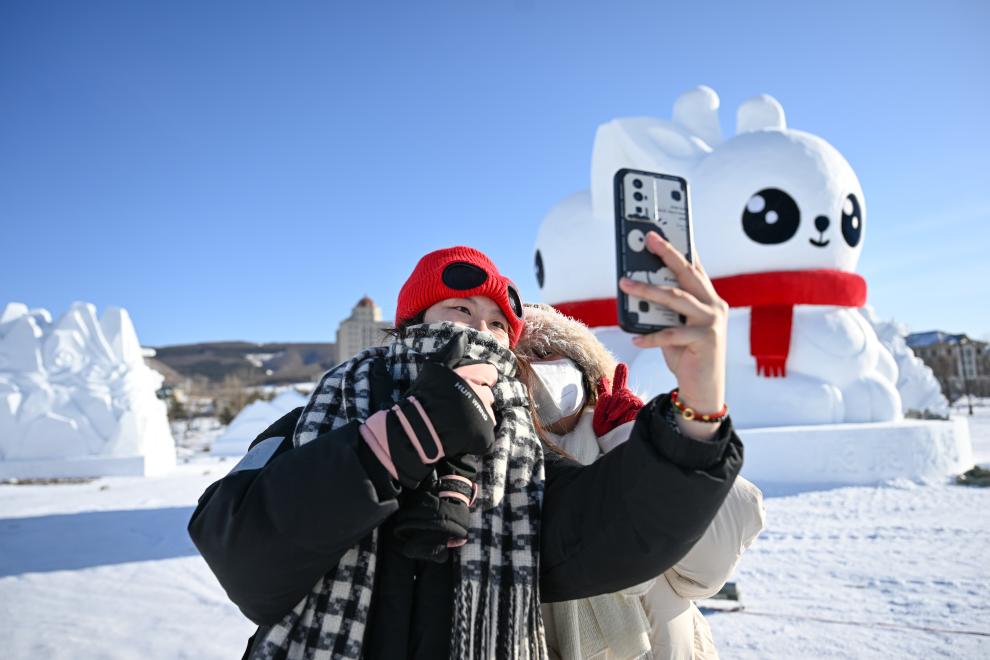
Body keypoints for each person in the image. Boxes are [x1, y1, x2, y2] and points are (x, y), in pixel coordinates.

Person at [188, 234, 742, 660]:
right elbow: (240, 558)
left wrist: (698, 403)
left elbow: (622, 533)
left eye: (499, 323)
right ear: (412, 322)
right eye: (460, 309)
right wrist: (393, 443)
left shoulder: (523, 453)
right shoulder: (317, 418)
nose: (481, 330)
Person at [516, 303, 766, 660]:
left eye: (545, 353)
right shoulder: (509, 469)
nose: (534, 367)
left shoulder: (638, 442)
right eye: (520, 359)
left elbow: (706, 571)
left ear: (586, 370)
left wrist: (632, 438)